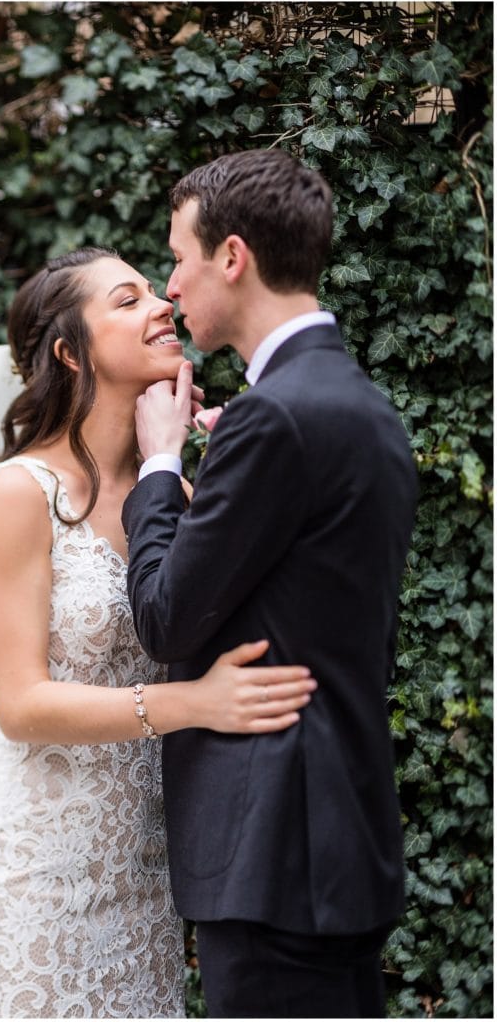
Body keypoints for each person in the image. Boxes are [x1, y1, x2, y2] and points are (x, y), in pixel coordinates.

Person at [0, 247, 318, 1019]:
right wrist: (195, 704)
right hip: (28, 881)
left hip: (143, 884)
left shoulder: (176, 492)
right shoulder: (18, 493)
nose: (161, 304)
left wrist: (226, 465)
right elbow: (21, 704)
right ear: (69, 351)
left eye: (154, 291)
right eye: (127, 300)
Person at [122, 150, 419, 1018]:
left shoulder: (279, 417)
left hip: (276, 854)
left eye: (178, 257)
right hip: (331, 841)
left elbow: (167, 618)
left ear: (232, 256)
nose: (170, 287)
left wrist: (157, 467)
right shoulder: (354, 404)